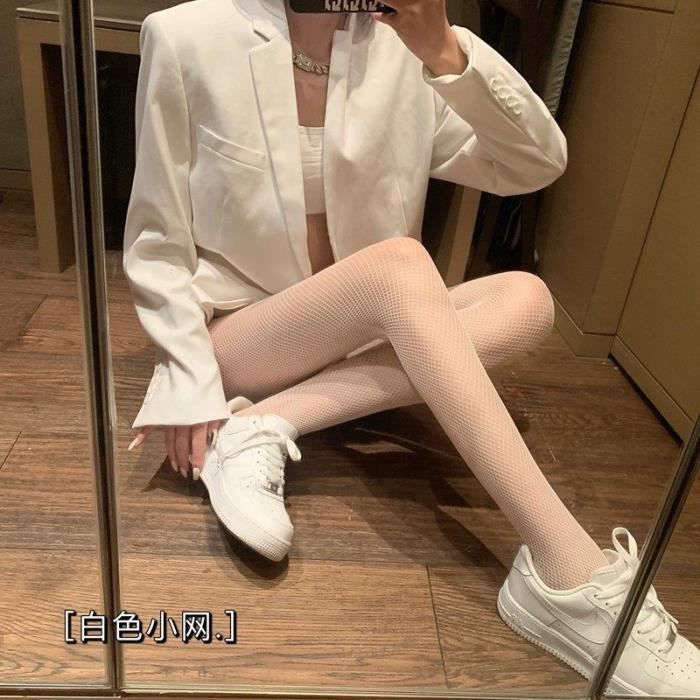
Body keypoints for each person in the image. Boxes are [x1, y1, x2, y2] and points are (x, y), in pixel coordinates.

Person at [122, 0, 699, 693]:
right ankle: (567, 574)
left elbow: (536, 163)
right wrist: (189, 380)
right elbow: (156, 244)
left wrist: (444, 50)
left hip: (361, 330)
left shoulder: (404, 48)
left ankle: (261, 426)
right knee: (400, 266)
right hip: (249, 336)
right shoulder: (187, 35)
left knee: (527, 301)